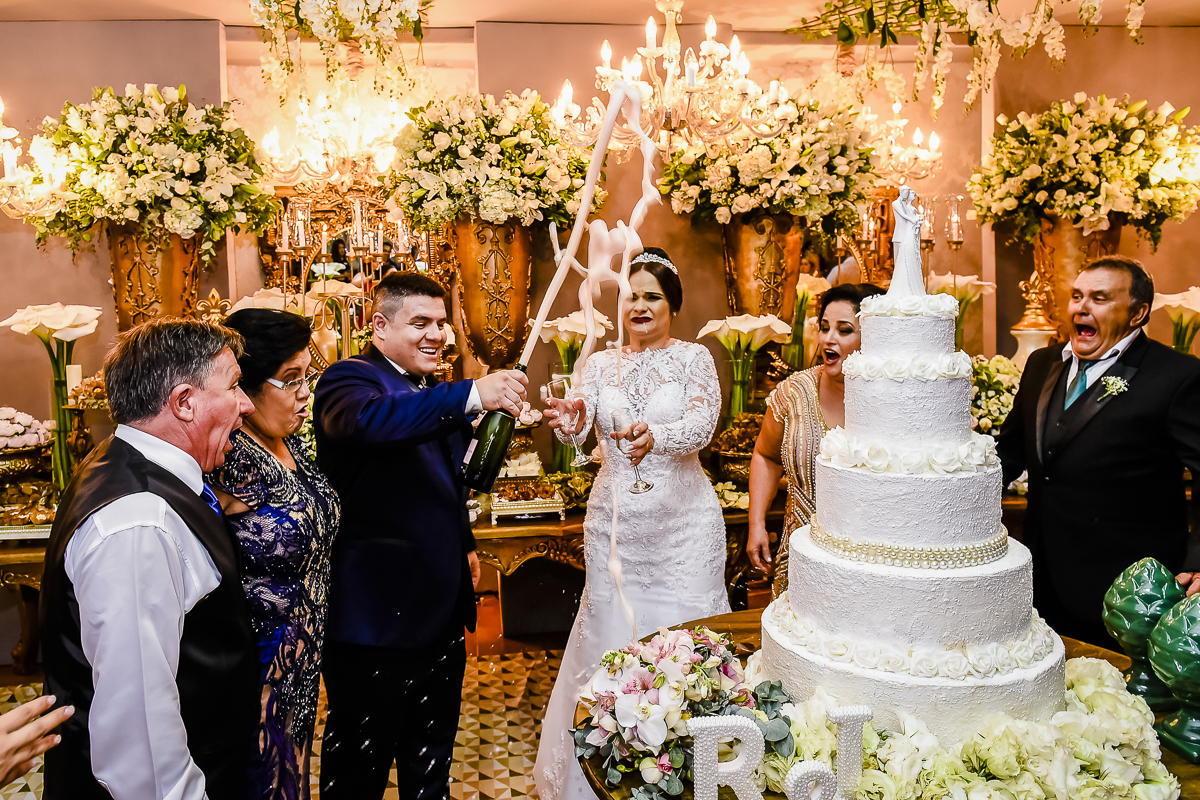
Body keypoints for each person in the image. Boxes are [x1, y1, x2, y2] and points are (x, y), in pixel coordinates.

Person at [313, 271, 527, 800]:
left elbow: (447, 480)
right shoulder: (349, 379)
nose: (436, 335)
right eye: (420, 323)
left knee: (429, 765)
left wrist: (466, 543)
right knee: (358, 773)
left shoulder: (431, 391)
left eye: (441, 323)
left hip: (441, 614)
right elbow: (368, 423)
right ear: (379, 326)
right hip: (374, 621)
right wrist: (473, 392)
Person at [533, 247, 730, 799]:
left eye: (652, 297)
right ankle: (603, 776)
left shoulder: (693, 359)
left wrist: (657, 436)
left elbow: (703, 424)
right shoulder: (599, 365)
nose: (639, 306)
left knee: (685, 644)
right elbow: (580, 432)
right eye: (631, 296)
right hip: (616, 528)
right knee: (610, 639)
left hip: (685, 529)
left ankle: (692, 775)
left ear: (673, 305)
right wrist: (570, 423)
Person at [41, 318, 260, 800]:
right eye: (234, 386)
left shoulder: (126, 465)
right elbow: (139, 728)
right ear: (184, 402)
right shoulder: (138, 521)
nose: (246, 404)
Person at [996, 256, 1200, 646]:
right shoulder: (1041, 363)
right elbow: (1008, 455)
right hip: (1041, 580)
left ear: (1138, 313)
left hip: (1129, 592)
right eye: (1077, 296)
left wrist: (1199, 562)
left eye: (1100, 298)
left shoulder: (1177, 375)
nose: (1081, 308)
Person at [207, 309, 340, 800]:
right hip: (257, 669)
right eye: (291, 379)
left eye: (308, 376)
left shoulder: (291, 444)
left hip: (303, 664)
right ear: (244, 386)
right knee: (263, 781)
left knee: (293, 775)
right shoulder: (228, 460)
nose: (305, 393)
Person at [746, 283, 885, 596]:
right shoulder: (793, 393)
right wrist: (756, 524)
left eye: (844, 330)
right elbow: (766, 456)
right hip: (799, 559)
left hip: (873, 564)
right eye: (824, 327)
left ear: (875, 336)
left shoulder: (897, 402)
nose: (828, 339)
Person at [890, 186, 925, 296]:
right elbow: (903, 215)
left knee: (906, 263)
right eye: (906, 192)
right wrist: (914, 220)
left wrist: (917, 219)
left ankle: (907, 289)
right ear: (901, 192)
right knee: (898, 264)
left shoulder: (906, 204)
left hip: (907, 235)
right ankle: (897, 291)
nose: (907, 194)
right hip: (899, 235)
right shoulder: (895, 203)